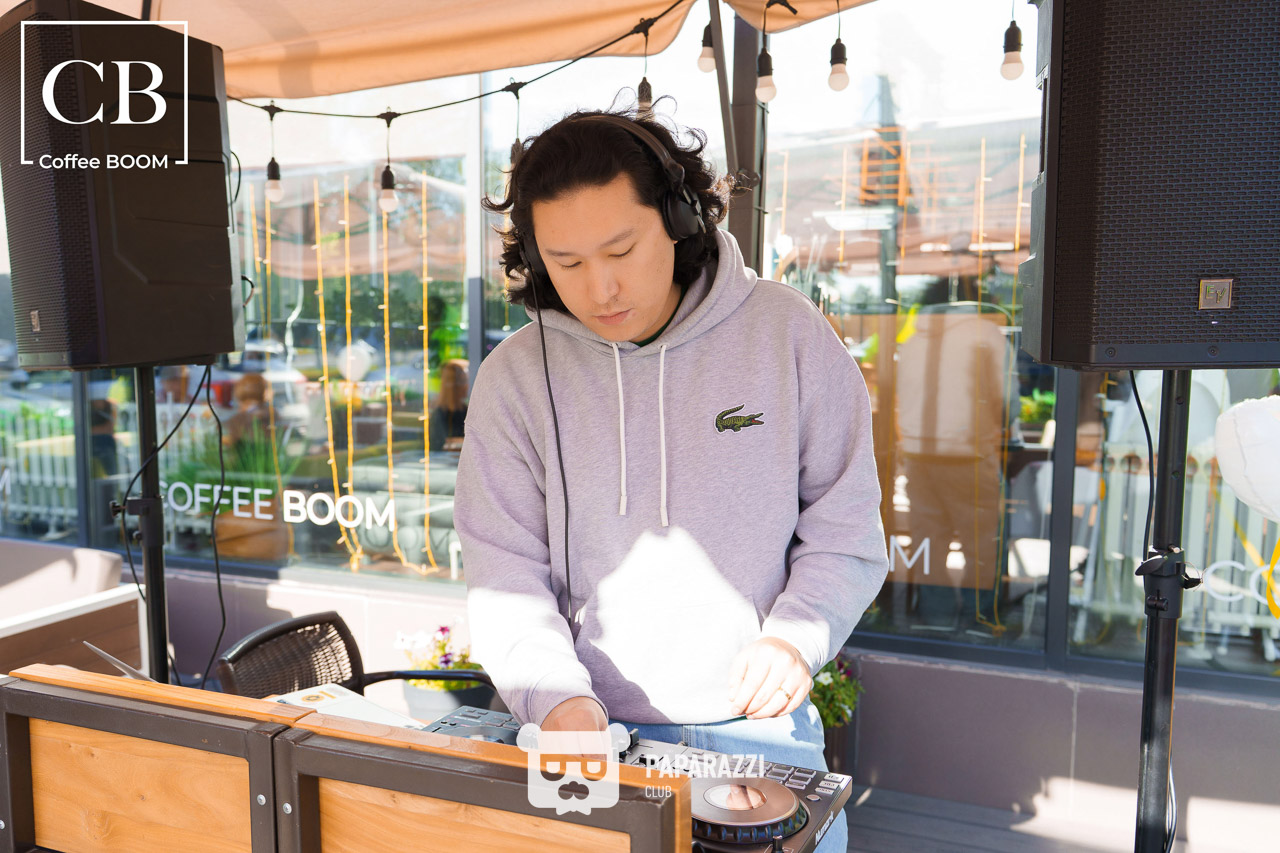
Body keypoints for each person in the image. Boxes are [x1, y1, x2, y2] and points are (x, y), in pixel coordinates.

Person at [454, 109, 888, 853]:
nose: (601, 287)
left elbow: (845, 526)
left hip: (757, 735)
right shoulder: (514, 378)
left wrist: (795, 637)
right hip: (584, 733)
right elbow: (504, 571)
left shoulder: (787, 334)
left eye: (621, 249)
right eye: (567, 262)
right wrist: (555, 700)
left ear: (681, 219)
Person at [428, 359, 469, 452]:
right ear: (453, 385)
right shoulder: (439, 415)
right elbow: (436, 446)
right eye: (463, 381)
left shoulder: (466, 410)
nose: (466, 385)